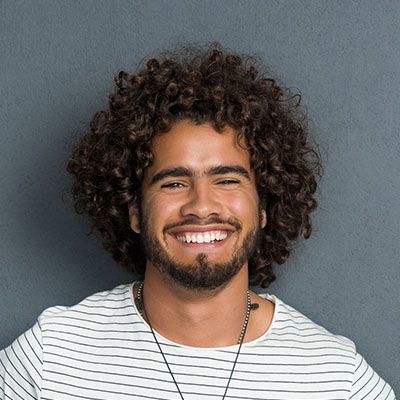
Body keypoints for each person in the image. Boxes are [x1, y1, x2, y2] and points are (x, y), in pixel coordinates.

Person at [0, 43, 396, 400]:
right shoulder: (49, 360)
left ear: (264, 206)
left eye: (227, 180)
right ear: (134, 210)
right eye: (173, 183)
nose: (201, 206)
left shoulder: (337, 379)